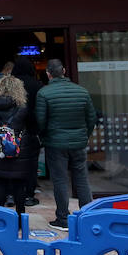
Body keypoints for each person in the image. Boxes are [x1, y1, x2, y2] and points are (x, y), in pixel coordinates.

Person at [35, 59, 97, 230]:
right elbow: (91, 118)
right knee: (82, 179)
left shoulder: (44, 93)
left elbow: (40, 121)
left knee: (60, 180)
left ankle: (63, 218)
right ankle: (87, 216)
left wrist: (44, 137)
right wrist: (84, 136)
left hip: (55, 143)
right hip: (78, 142)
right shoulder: (82, 92)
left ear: (48, 73)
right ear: (63, 70)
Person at [0, 75, 40, 218]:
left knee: (0, 183)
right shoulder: (23, 106)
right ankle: (20, 220)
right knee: (19, 185)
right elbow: (34, 127)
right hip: (19, 149)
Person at [12, 60, 45, 205]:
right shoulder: (37, 86)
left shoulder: (10, 86)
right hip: (31, 130)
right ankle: (28, 195)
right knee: (31, 164)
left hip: (11, 130)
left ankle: (11, 194)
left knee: (11, 162)